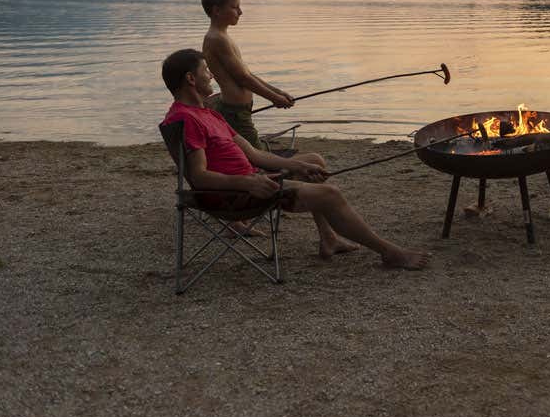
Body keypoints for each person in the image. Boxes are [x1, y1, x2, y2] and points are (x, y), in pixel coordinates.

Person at [161, 48, 429, 269]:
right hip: (235, 195)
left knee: (313, 160)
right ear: (191, 79)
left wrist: (298, 165)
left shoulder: (209, 114)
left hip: (251, 182)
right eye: (206, 71)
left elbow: (255, 154)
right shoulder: (186, 119)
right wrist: (248, 183)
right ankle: (389, 252)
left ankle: (329, 239)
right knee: (330, 194)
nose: (212, 76)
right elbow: (199, 176)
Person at [201, 0, 294, 150]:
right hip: (234, 111)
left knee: (250, 151)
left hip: (239, 109)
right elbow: (243, 79)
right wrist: (273, 99)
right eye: (235, 7)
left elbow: (247, 74)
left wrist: (277, 92)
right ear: (217, 10)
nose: (240, 12)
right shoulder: (216, 39)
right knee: (257, 156)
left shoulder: (223, 36)